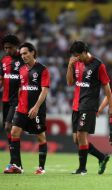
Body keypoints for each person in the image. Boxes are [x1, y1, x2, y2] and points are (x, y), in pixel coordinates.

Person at [66, 41, 112, 175]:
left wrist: (111, 106)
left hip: (89, 104)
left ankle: (82, 168)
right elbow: (70, 82)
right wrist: (70, 66)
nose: (76, 58)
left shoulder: (98, 65)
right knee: (76, 139)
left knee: (82, 135)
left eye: (77, 55)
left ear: (84, 52)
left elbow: (106, 86)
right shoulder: (75, 63)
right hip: (76, 104)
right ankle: (101, 157)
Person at [4, 42, 50, 174]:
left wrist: (36, 107)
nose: (23, 56)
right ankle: (16, 165)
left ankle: (41, 168)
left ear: (32, 52)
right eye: (21, 54)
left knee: (40, 136)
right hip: (22, 108)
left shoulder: (42, 69)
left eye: (25, 53)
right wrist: (18, 103)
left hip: (36, 110)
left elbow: (44, 90)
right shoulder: (22, 69)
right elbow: (21, 88)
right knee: (14, 132)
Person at [0, 34, 24, 171]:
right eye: (5, 48)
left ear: (16, 46)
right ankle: (16, 163)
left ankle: (14, 163)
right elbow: (1, 79)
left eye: (10, 47)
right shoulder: (4, 60)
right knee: (8, 129)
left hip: (18, 100)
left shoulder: (23, 60)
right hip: (5, 100)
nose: (7, 50)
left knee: (9, 127)